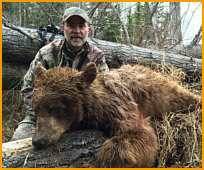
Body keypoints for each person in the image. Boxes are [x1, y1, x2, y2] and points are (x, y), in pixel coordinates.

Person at [11, 7, 109, 141]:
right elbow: (28, 89)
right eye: (71, 25)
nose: (76, 31)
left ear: (88, 30)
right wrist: (41, 114)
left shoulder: (96, 57)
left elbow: (105, 90)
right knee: (19, 139)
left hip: (82, 118)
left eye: (81, 26)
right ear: (63, 28)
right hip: (42, 116)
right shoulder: (46, 53)